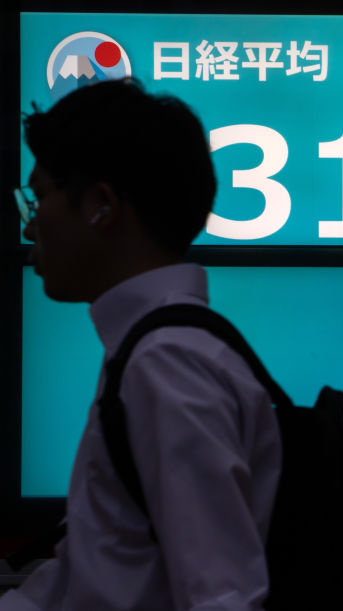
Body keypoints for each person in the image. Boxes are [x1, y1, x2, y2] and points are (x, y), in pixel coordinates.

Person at [1, 79, 282, 611]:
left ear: (101, 206)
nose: (31, 225)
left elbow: (222, 597)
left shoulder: (165, 362)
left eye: (39, 198)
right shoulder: (158, 349)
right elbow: (95, 567)